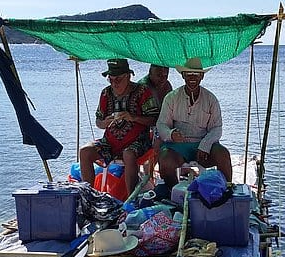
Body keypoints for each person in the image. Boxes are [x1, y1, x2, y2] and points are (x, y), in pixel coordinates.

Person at [79, 58, 159, 198]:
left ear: (128, 76)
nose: (114, 83)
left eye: (118, 79)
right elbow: (98, 120)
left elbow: (155, 119)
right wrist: (105, 123)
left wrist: (133, 117)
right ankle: (89, 197)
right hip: (110, 143)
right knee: (85, 151)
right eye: (111, 79)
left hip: (138, 141)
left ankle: (130, 199)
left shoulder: (142, 91)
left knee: (128, 153)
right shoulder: (106, 93)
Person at [156, 57, 232, 189]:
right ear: (183, 76)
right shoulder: (172, 97)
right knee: (165, 160)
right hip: (178, 146)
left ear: (201, 76)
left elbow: (217, 128)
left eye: (196, 74)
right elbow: (161, 124)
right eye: (188, 74)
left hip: (203, 145)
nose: (192, 77)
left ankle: (226, 190)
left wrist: (205, 144)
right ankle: (174, 194)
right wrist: (171, 134)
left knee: (223, 155)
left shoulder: (210, 99)